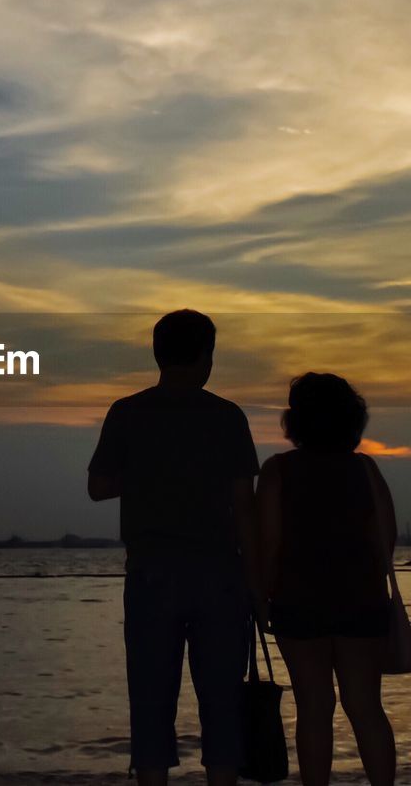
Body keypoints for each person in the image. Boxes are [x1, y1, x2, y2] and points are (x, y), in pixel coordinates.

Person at [88, 309, 262, 786]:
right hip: (220, 576)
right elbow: (245, 508)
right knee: (223, 703)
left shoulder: (127, 411)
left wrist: (148, 476)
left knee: (149, 700)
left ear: (157, 354)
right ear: (207, 357)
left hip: (151, 574)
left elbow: (98, 486)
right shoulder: (227, 416)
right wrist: (259, 588)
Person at [255, 372, 397, 786]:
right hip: (362, 600)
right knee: (366, 707)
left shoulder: (277, 470)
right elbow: (385, 540)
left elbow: (269, 542)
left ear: (296, 420)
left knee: (314, 706)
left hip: (297, 601)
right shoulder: (365, 469)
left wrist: (261, 598)